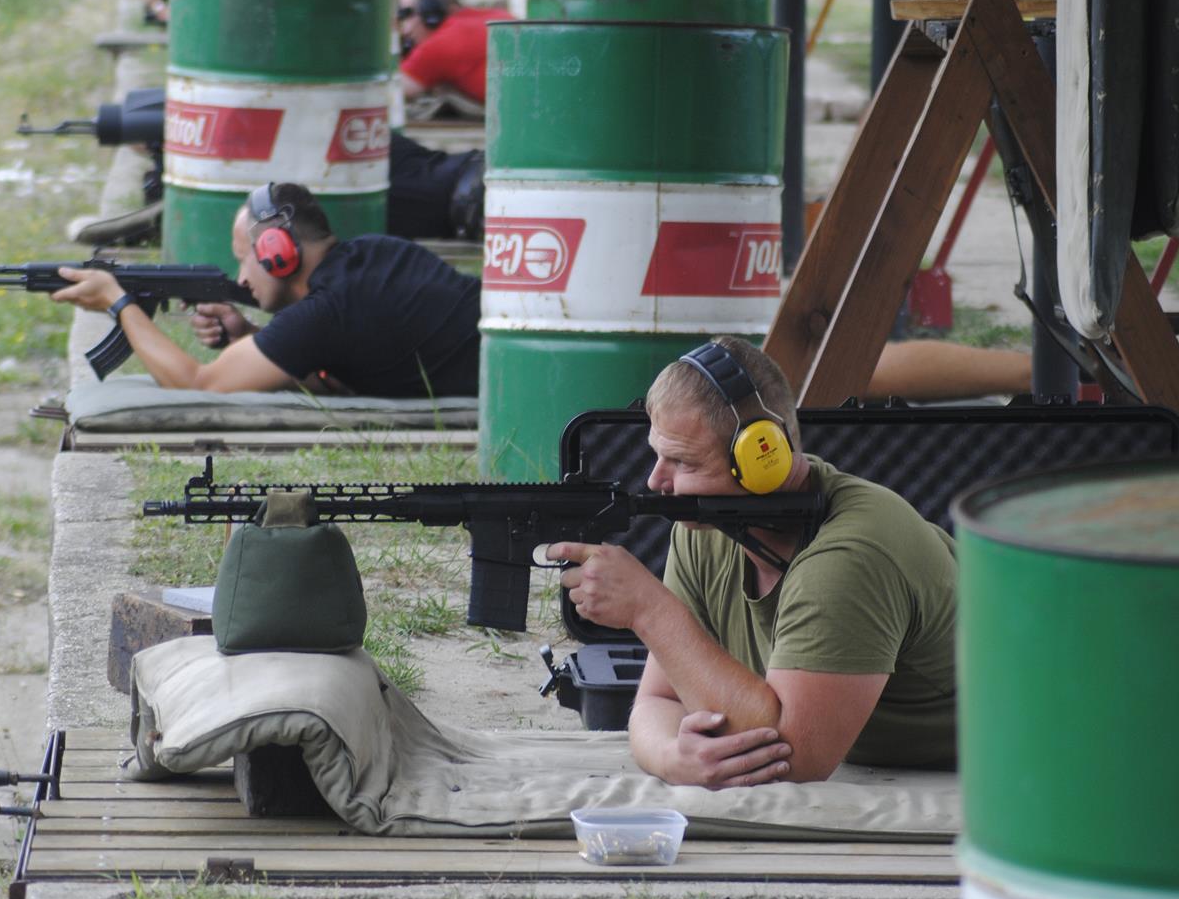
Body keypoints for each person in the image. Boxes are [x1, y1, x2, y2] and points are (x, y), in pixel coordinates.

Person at [549, 337, 957, 788]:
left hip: (1016, 757)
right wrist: (673, 756)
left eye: (683, 462)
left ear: (763, 459)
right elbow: (656, 702)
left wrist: (650, 610)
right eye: (658, 454)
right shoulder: (705, 528)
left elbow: (796, 758)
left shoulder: (851, 557)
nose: (655, 480)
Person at [50, 182, 480, 397]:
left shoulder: (324, 312)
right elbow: (336, 358)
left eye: (245, 258)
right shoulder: (376, 251)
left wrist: (118, 302)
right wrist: (249, 337)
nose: (241, 278)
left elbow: (196, 383)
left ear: (278, 251)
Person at [395, 0, 513, 109]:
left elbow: (392, 90)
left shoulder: (440, 45)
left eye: (408, 14)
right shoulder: (498, 15)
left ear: (431, 14)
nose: (405, 29)